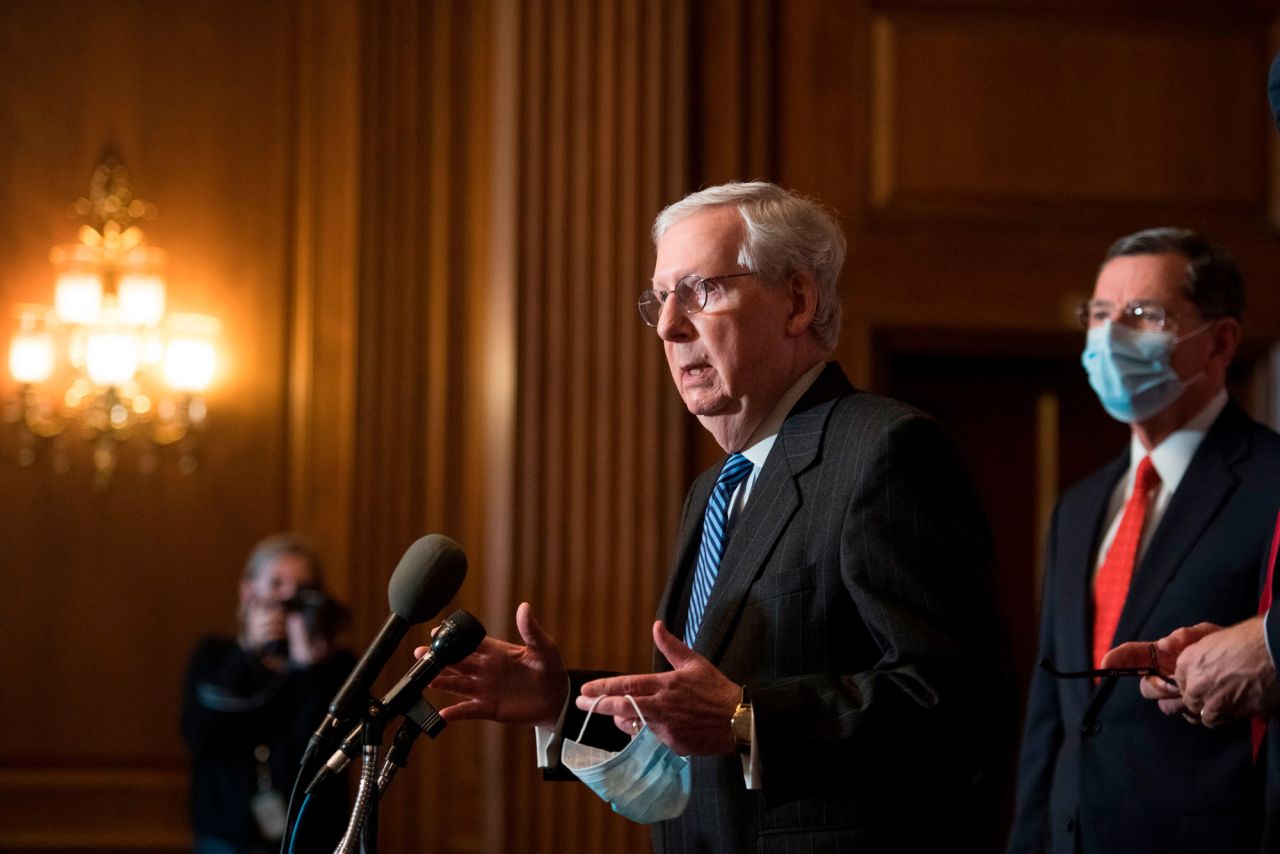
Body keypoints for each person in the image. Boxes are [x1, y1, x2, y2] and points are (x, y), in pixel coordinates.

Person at [427, 181, 1012, 852]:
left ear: (797, 301)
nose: (670, 326)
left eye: (700, 290)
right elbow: (689, 732)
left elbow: (955, 702)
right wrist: (563, 703)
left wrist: (746, 719)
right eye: (660, 299)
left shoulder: (883, 451)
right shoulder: (713, 490)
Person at [1006, 227, 1280, 853]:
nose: (1109, 335)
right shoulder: (1077, 508)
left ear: (1219, 343)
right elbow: (1053, 718)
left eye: (1141, 315)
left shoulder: (1272, 482)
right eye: (1099, 314)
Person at [180, 533, 354, 854]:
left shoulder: (337, 668)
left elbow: (322, 751)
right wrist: (250, 657)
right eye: (276, 585)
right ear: (248, 591)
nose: (287, 599)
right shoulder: (213, 657)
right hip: (226, 837)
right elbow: (203, 735)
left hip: (311, 838)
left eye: (302, 591)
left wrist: (307, 670)